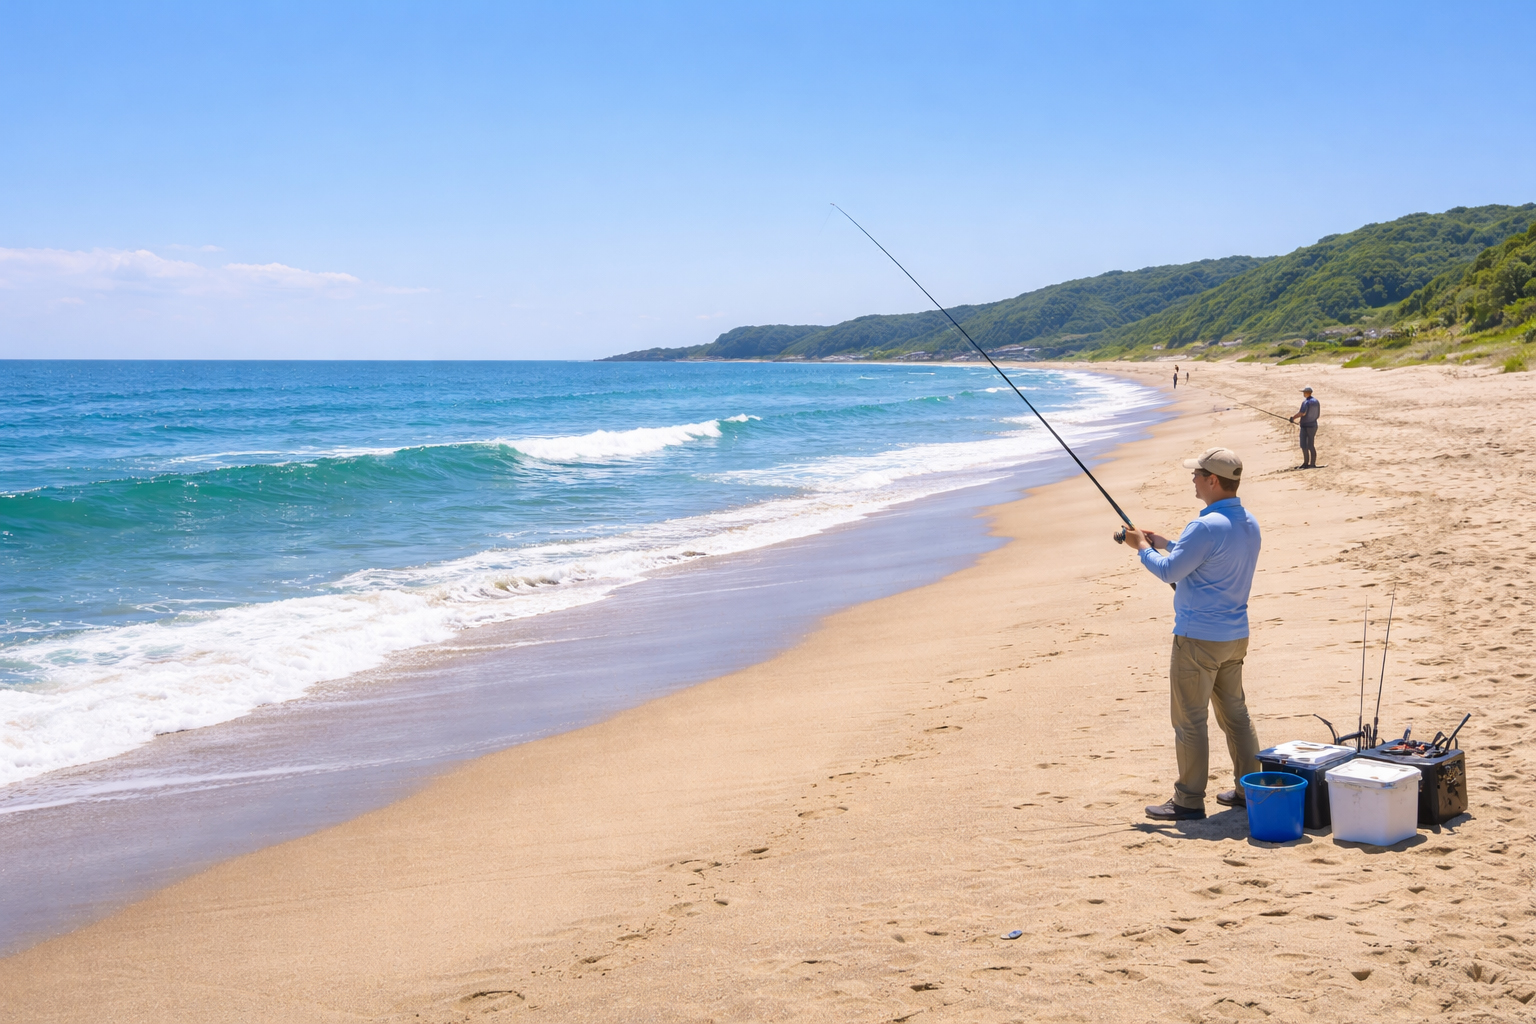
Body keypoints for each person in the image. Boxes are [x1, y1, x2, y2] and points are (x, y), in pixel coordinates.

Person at [1116, 447, 1263, 821]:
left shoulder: (1205, 525)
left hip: (1198, 639)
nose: (1193, 479)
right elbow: (1206, 560)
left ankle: (1188, 800)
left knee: (1190, 720)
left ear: (1213, 480)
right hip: (1234, 636)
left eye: (1197, 474)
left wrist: (1143, 548)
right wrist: (1165, 542)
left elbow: (1169, 573)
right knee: (1236, 715)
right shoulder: (1248, 522)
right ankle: (1250, 789)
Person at [1288, 387, 1320, 468]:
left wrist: (1293, 418)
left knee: (1304, 444)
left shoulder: (1306, 402)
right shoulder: (1316, 402)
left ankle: (1306, 463)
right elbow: (1317, 415)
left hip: (1306, 426)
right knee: (1311, 445)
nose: (1303, 393)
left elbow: (1302, 413)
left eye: (1304, 392)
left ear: (1307, 393)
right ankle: (1312, 464)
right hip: (1313, 425)